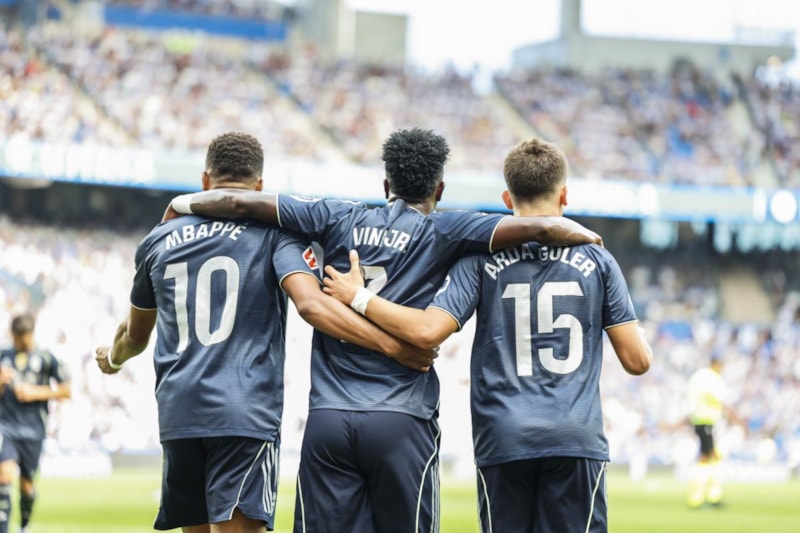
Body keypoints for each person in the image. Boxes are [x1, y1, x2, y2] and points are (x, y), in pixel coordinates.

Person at [164, 128, 603, 532]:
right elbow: (539, 226)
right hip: (402, 419)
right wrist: (577, 232)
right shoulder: (447, 228)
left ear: (385, 184)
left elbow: (241, 203)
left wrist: (182, 204)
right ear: (439, 189)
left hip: (329, 417)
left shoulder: (335, 216)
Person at [95, 132, 434, 533]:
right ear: (259, 186)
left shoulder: (159, 238)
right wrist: (392, 346)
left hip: (179, 412)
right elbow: (311, 305)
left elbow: (134, 336)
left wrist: (112, 358)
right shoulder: (274, 233)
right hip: (244, 410)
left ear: (205, 181)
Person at [322, 137, 653, 532]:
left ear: (506, 197)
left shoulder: (480, 258)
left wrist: (359, 298)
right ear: (564, 194)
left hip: (504, 435)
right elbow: (637, 361)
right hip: (574, 436)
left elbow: (428, 330)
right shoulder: (598, 259)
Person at [0, 312, 71, 533]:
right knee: (4, 475)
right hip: (6, 428)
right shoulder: (3, 356)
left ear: (31, 334)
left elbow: (66, 391)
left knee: (27, 486)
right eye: (17, 337)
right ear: (13, 335)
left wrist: (35, 392)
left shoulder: (47, 358)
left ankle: (24, 525)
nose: (21, 342)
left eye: (25, 337)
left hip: (33, 430)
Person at [686, 355, 736, 509]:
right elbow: (719, 399)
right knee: (706, 458)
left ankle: (712, 495)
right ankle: (698, 497)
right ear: (717, 364)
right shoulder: (712, 378)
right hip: (708, 421)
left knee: (712, 457)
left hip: (699, 420)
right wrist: (735, 417)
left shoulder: (697, 376)